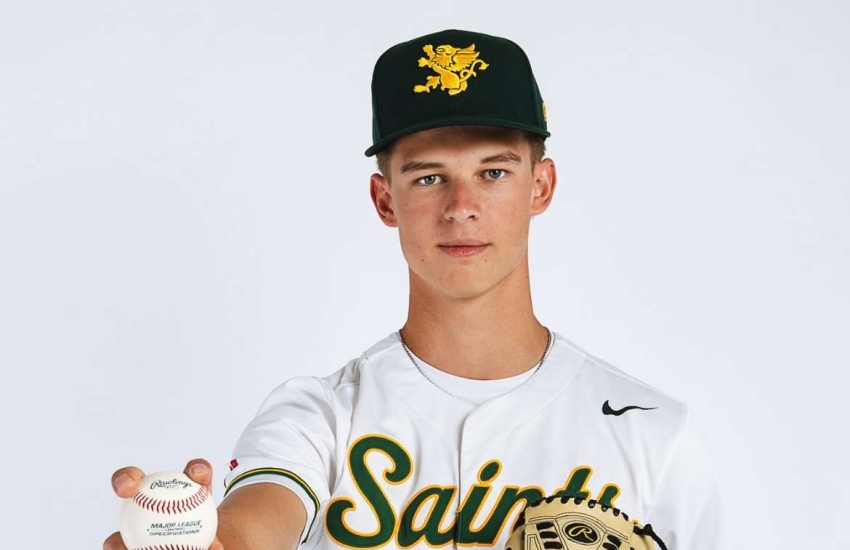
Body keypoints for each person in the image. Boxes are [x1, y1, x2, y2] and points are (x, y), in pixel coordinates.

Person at [104, 29, 723, 550]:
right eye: (428, 177)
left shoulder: (657, 436)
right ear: (384, 199)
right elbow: (257, 522)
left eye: (494, 171)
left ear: (541, 187)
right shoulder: (318, 420)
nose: (462, 207)